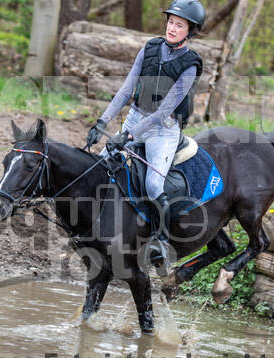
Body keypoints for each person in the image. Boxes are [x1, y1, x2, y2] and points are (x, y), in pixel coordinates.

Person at [86, 0, 206, 266]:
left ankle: (161, 241)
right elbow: (126, 91)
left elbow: (163, 112)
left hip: (163, 130)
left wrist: (128, 137)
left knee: (153, 184)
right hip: (135, 117)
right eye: (171, 22)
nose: (172, 28)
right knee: (101, 164)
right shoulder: (150, 47)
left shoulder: (190, 64)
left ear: (190, 31)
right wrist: (101, 123)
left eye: (179, 25)